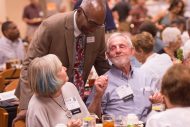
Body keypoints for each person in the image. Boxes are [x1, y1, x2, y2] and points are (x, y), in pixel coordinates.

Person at [14, 0, 110, 123]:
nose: (94, 29)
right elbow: (30, 64)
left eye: (99, 25)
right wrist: (26, 105)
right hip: (47, 97)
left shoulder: (97, 29)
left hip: (72, 96)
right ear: (80, 12)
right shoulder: (51, 26)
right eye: (92, 24)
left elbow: (101, 63)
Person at [87, 33, 163, 122]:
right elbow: (91, 118)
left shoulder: (146, 76)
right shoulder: (102, 83)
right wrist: (98, 96)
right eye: (113, 48)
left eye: (122, 46)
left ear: (132, 51)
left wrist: (157, 104)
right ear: (108, 55)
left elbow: (159, 109)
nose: (118, 51)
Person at [26, 54, 89, 127]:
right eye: (60, 69)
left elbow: (86, 118)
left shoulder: (69, 87)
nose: (65, 68)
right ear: (52, 78)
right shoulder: (36, 107)